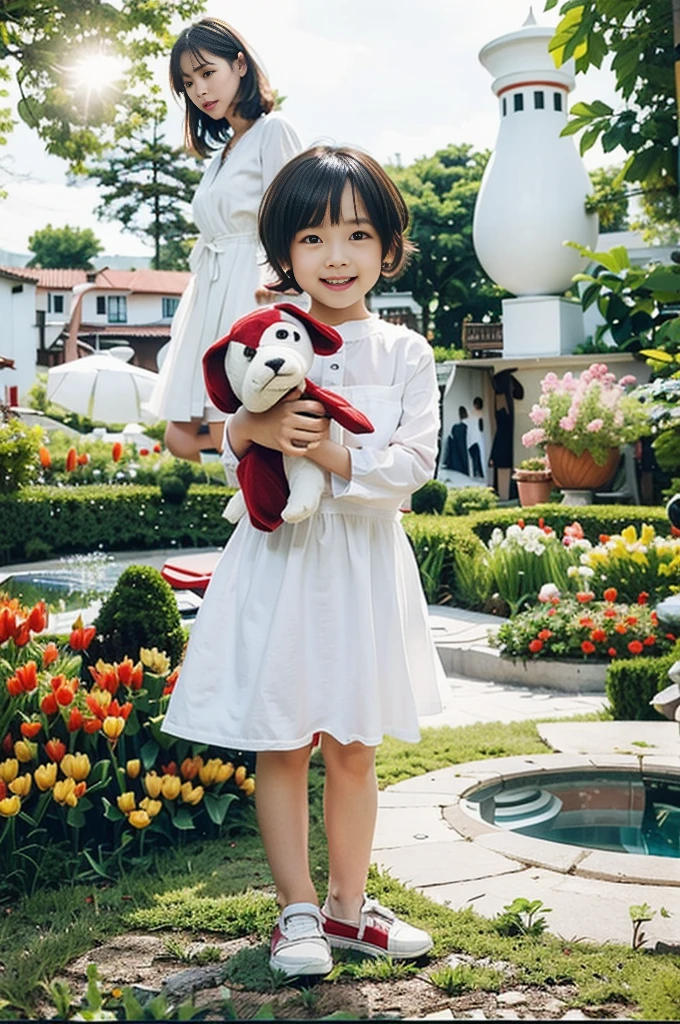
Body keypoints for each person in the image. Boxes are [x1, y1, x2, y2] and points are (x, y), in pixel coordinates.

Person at [162, 145, 444, 977]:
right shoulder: (269, 336)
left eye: (357, 235)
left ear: (387, 248)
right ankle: (296, 916)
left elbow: (413, 466)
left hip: (361, 566)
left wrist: (333, 457)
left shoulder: (404, 352)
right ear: (284, 251)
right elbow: (229, 440)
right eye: (315, 238)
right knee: (282, 740)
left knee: (353, 745)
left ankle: (350, 911)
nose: (336, 257)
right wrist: (247, 434)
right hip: (282, 560)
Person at [146, 17, 303, 461]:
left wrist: (284, 281)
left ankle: (272, 493)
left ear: (239, 65)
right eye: (188, 82)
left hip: (250, 284)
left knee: (228, 422)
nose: (199, 90)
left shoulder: (274, 131)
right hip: (210, 287)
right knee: (180, 436)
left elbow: (295, 216)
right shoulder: (222, 153)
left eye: (207, 72)